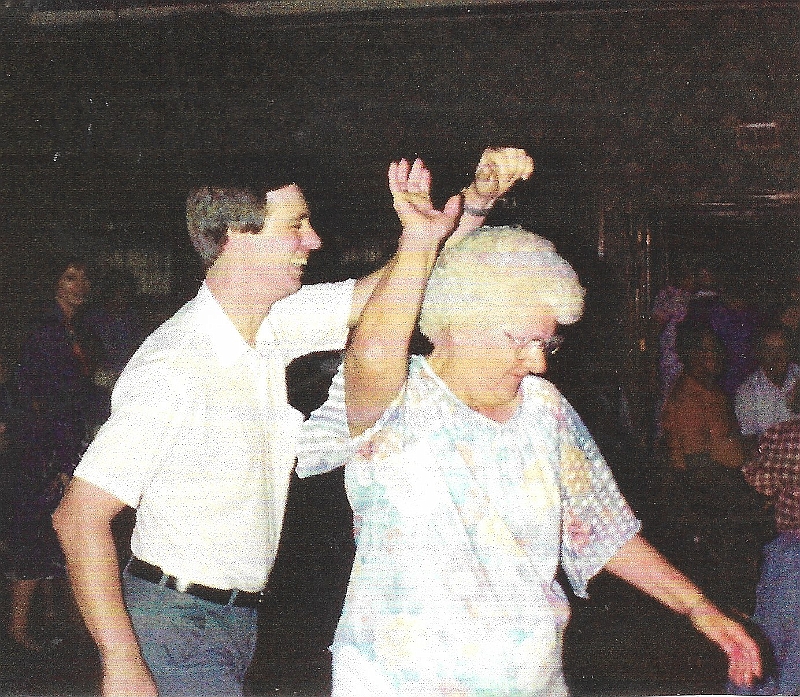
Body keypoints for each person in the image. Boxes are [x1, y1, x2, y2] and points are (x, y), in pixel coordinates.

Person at [52, 148, 528, 697]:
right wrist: (122, 663)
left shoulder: (272, 323)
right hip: (174, 626)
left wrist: (469, 210)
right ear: (236, 237)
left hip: (234, 623)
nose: (315, 241)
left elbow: (395, 291)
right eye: (295, 225)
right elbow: (79, 518)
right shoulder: (176, 364)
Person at [295, 160, 762, 696]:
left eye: (548, 342)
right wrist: (421, 242)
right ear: (458, 324)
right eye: (520, 340)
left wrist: (703, 612)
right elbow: (374, 345)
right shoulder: (394, 403)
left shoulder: (544, 409)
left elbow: (603, 530)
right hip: (403, 679)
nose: (538, 363)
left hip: (529, 680)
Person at [5, 258, 103, 652]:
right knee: (32, 531)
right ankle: (17, 629)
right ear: (52, 282)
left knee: (53, 530)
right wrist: (58, 459)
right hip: (40, 445)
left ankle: (47, 616)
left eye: (84, 278)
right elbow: (38, 396)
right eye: (69, 277)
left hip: (60, 440)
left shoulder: (74, 329)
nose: (78, 286)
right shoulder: (44, 330)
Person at [737, 417, 800, 695]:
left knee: (771, 641)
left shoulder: (788, 434)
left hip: (793, 550)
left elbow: (759, 481)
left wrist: (748, 453)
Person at [735, 323, 800, 453]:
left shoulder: (798, 376)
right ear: (759, 353)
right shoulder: (747, 392)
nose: (777, 357)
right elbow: (749, 443)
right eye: (770, 350)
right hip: (771, 462)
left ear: (790, 351)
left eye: (782, 349)